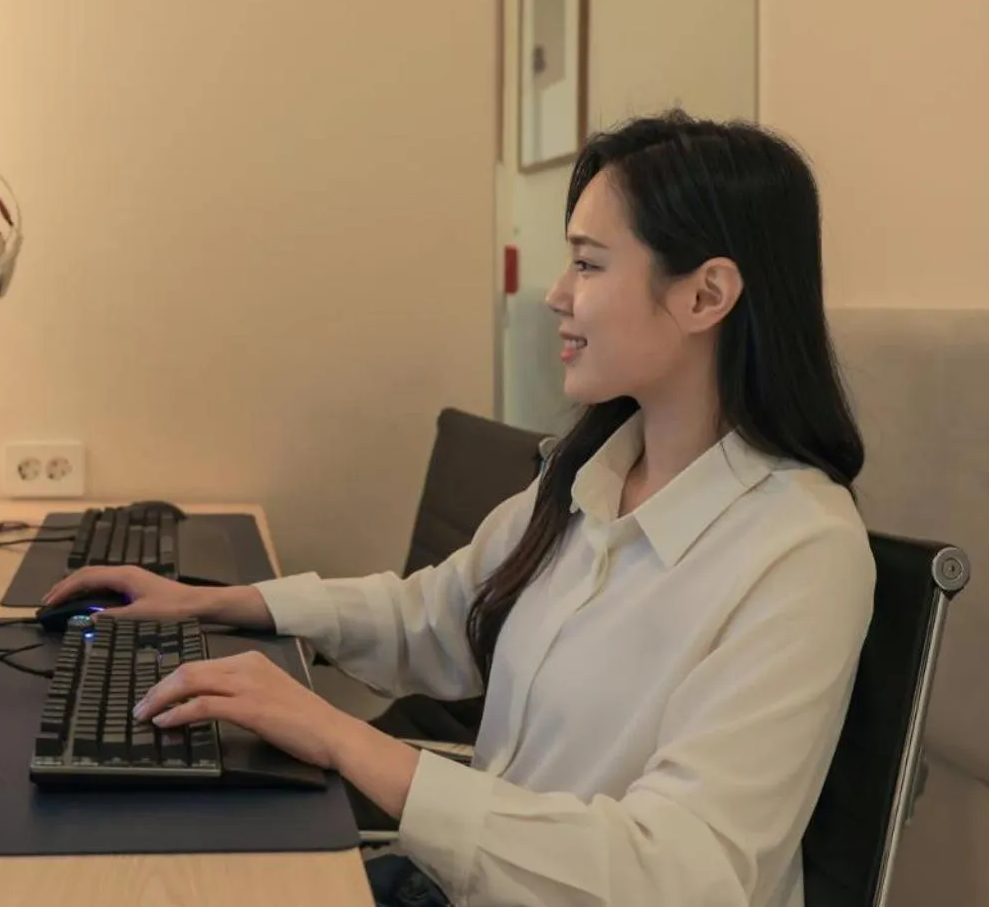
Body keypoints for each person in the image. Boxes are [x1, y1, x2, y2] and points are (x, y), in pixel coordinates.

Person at [44, 111, 874, 907]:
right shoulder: (587, 475)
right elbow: (436, 616)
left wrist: (340, 737)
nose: (554, 294)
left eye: (587, 264)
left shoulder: (800, 549)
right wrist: (220, 603)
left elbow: (677, 877)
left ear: (704, 297)